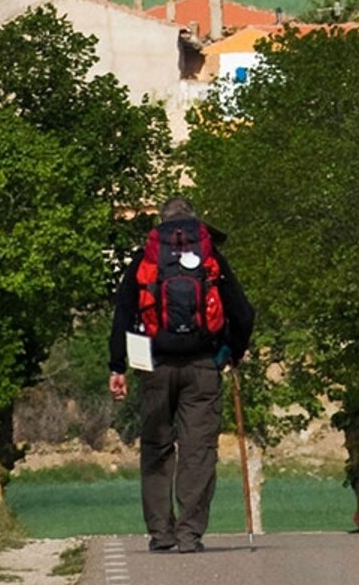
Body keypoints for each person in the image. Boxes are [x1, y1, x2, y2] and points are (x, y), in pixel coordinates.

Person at [107, 195, 254, 553]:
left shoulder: (147, 258)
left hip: (153, 365)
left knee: (157, 447)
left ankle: (161, 534)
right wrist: (230, 353)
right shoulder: (210, 258)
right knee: (198, 451)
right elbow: (244, 313)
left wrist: (117, 366)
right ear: (193, 221)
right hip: (203, 365)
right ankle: (190, 534)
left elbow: (124, 313)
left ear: (162, 220)